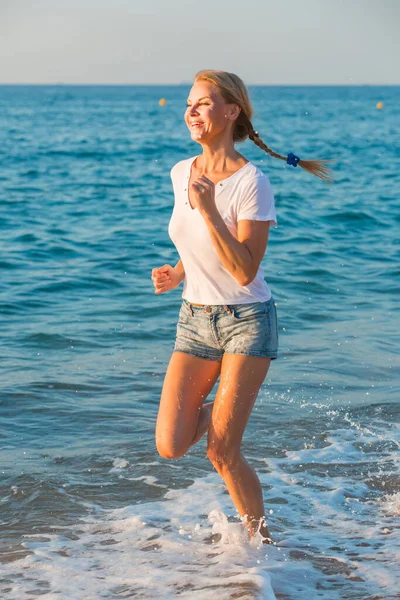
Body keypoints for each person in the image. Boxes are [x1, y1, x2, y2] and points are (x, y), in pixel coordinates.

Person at [151, 70, 334, 544]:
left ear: (231, 113)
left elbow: (244, 270)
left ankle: (261, 546)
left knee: (222, 450)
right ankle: (235, 394)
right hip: (194, 319)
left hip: (246, 322)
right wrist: (178, 271)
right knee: (170, 445)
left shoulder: (253, 182)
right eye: (189, 103)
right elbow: (196, 242)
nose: (191, 111)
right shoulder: (180, 172)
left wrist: (210, 210)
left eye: (203, 103)